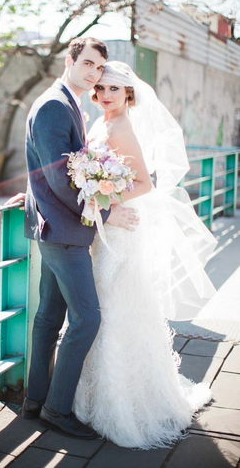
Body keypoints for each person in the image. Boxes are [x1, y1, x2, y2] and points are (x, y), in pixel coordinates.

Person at [72, 61, 217, 449]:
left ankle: (124, 403)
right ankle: (92, 395)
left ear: (128, 94)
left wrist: (101, 199)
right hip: (105, 229)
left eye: (113, 90)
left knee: (115, 308)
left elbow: (144, 183)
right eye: (100, 89)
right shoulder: (100, 121)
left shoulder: (121, 126)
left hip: (120, 231)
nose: (104, 95)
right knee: (103, 307)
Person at [17, 38, 139, 440]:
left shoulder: (65, 102)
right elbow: (60, 177)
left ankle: (35, 401)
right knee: (87, 319)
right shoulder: (55, 105)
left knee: (49, 317)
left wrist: (31, 192)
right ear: (69, 61)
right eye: (87, 63)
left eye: (99, 69)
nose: (92, 74)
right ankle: (55, 409)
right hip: (66, 232)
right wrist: (107, 212)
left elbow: (50, 169)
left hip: (55, 227)